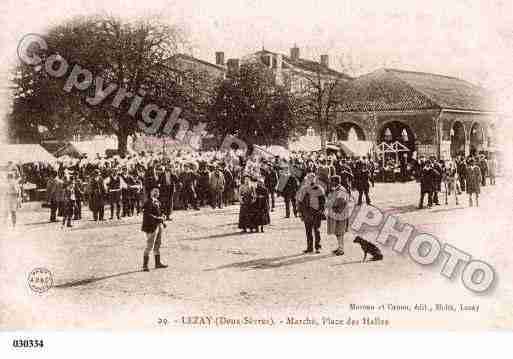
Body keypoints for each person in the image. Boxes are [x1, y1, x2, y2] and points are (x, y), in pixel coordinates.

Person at [297, 173, 326, 254]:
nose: (311, 180)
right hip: (307, 212)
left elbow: (323, 201)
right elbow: (300, 202)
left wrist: (321, 210)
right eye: (309, 178)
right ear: (307, 180)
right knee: (308, 230)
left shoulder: (320, 189)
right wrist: (300, 212)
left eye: (312, 178)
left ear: (315, 179)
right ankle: (309, 247)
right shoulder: (304, 189)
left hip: (316, 211)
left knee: (316, 230)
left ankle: (317, 247)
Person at [141, 187, 168, 272]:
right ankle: (145, 265)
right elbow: (148, 215)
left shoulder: (158, 202)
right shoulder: (148, 202)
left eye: (158, 191)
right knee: (149, 245)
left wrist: (163, 220)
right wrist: (158, 218)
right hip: (151, 227)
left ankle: (157, 263)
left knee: (157, 245)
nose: (156, 193)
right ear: (150, 192)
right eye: (154, 191)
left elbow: (160, 212)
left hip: (158, 226)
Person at [326, 175, 352, 256]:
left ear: (335, 182)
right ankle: (340, 247)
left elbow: (341, 202)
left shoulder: (341, 190)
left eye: (332, 181)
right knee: (338, 232)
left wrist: (332, 206)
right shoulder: (338, 189)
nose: (330, 183)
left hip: (340, 215)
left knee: (340, 232)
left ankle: (341, 249)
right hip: (339, 214)